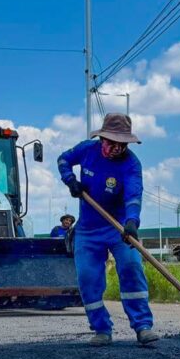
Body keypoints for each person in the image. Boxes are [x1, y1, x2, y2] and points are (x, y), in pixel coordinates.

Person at [57, 113, 158, 346]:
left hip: (119, 228)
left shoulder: (131, 164)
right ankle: (101, 329)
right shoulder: (87, 150)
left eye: (121, 144)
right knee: (87, 277)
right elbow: (63, 160)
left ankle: (143, 326)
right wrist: (70, 180)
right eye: (111, 142)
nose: (116, 148)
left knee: (132, 266)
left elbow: (134, 195)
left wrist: (132, 222)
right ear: (102, 138)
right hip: (88, 230)